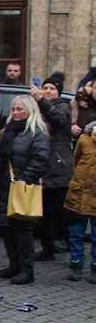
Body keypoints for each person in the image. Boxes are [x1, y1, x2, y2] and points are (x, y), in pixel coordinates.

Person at [0, 95, 49, 284]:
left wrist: (24, 179)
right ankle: (13, 265)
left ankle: (26, 269)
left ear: (30, 110)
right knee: (6, 228)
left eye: (20, 109)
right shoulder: (6, 131)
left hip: (20, 188)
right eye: (14, 109)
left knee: (22, 230)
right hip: (0, 187)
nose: (16, 113)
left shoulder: (37, 133)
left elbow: (41, 160)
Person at [31, 72, 73, 261]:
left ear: (58, 92)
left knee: (62, 211)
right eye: (45, 88)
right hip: (43, 167)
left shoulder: (63, 106)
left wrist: (41, 100)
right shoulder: (38, 107)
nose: (47, 91)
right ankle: (47, 249)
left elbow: (59, 119)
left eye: (52, 88)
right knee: (45, 213)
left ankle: (70, 244)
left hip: (59, 166)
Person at [64, 120, 96, 282]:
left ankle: (95, 268)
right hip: (79, 194)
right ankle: (76, 265)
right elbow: (75, 161)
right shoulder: (84, 139)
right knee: (76, 234)